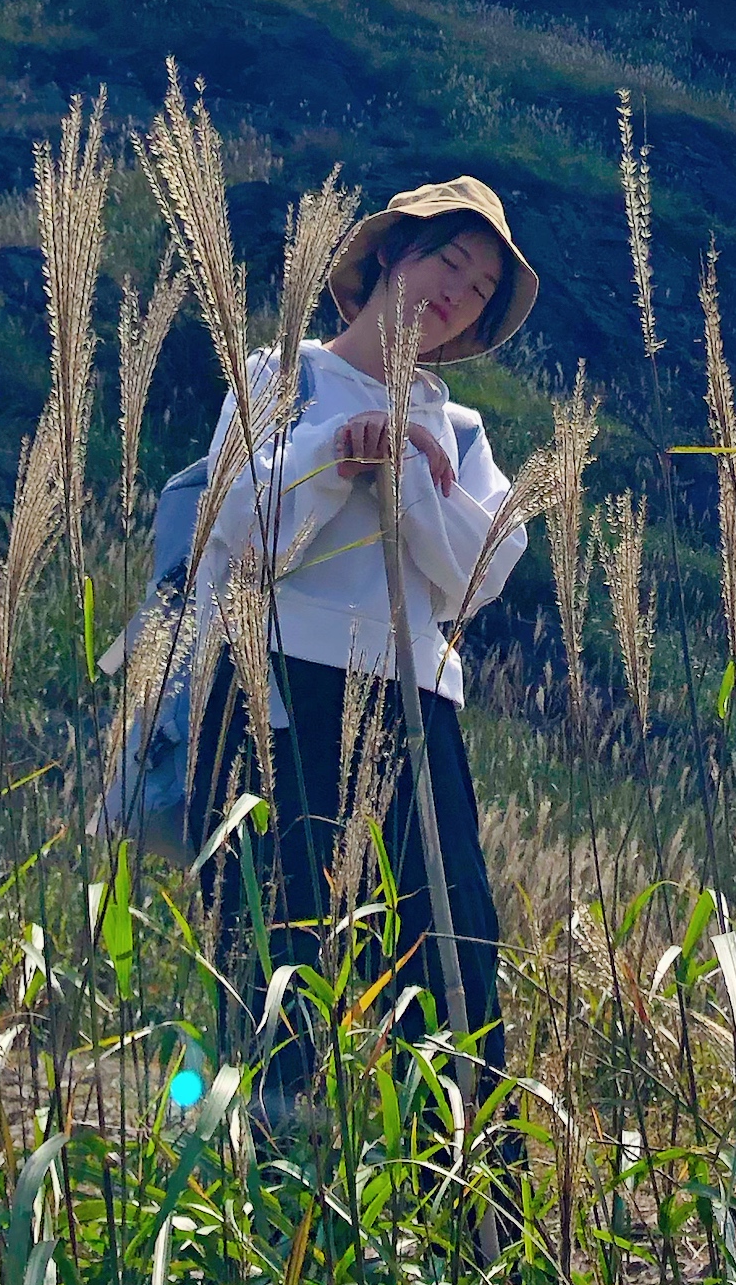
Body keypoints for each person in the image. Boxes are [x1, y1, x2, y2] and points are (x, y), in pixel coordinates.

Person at [181, 177, 539, 1101]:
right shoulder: (278, 377)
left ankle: (465, 1222)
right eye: (449, 261)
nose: (458, 292)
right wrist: (337, 452)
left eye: (481, 287)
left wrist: (418, 479)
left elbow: (475, 578)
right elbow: (236, 530)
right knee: (273, 970)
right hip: (276, 699)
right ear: (390, 257)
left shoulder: (460, 430)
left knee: (454, 970)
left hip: (415, 711)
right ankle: (268, 1209)